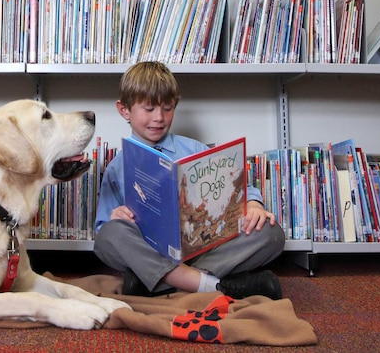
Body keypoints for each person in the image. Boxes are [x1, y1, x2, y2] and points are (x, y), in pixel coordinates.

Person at [93, 61, 285, 299]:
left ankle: (161, 282)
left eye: (167, 108)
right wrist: (116, 216)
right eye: (149, 109)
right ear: (124, 110)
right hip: (150, 250)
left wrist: (254, 205)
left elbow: (239, 188)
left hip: (202, 247)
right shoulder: (117, 167)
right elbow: (103, 229)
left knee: (271, 232)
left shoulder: (194, 149)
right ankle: (215, 286)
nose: (159, 118)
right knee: (108, 237)